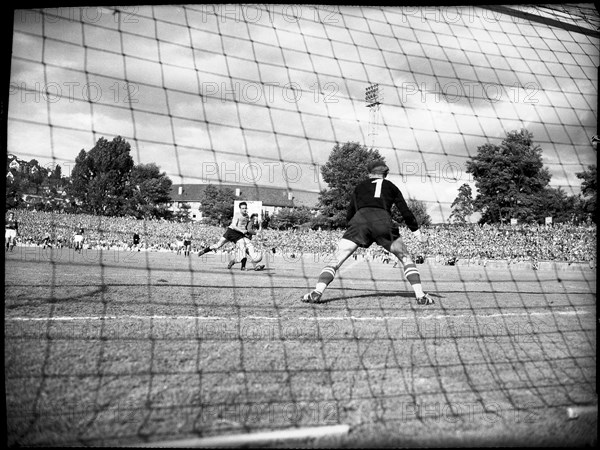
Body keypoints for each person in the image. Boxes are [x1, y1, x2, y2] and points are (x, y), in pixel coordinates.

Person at [302, 160, 434, 305]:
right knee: (406, 258)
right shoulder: (391, 186)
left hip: (360, 221)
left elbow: (350, 212)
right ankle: (420, 295)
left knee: (335, 260)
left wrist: (352, 227)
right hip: (382, 221)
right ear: (386, 174)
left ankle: (317, 292)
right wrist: (417, 234)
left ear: (369, 173)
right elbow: (405, 212)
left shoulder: (360, 186)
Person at [198, 202, 265, 271]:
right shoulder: (237, 215)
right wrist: (242, 231)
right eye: (243, 208)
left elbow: (248, 227)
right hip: (231, 232)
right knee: (218, 245)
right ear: (240, 209)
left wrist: (254, 227)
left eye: (245, 208)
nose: (244, 209)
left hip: (238, 235)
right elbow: (233, 226)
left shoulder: (247, 216)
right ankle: (204, 251)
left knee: (243, 247)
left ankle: (243, 267)